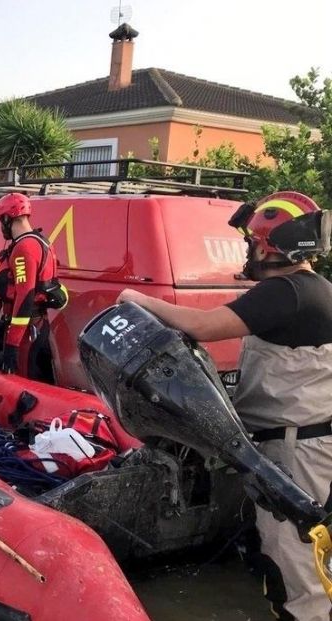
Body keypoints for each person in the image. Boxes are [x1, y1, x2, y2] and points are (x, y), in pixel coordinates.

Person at [117, 191, 332, 621]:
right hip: (316, 441)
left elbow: (203, 325)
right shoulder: (319, 290)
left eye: (253, 242)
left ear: (272, 244)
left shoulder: (283, 292)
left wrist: (138, 299)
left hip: (293, 451)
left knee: (294, 570)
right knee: (316, 560)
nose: (249, 250)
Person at [0, 192, 67, 381]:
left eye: (2, 220)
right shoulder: (42, 241)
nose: (2, 226)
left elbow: (24, 297)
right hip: (38, 324)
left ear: (8, 218)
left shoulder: (24, 248)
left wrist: (12, 344)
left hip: (28, 330)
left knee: (23, 380)